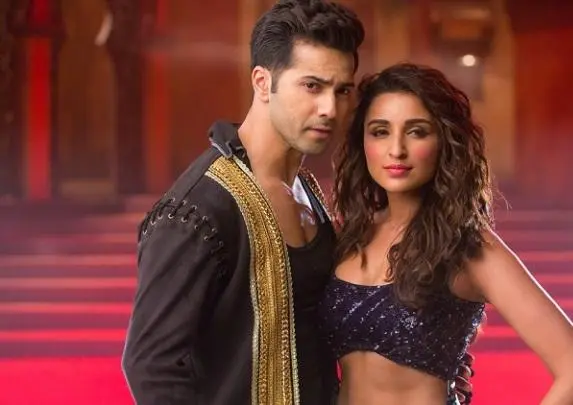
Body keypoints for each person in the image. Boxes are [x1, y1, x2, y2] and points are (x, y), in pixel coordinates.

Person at [121, 1, 363, 404]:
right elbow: (151, 366)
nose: (330, 109)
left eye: (342, 91)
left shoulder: (307, 190)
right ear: (263, 83)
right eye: (312, 86)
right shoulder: (198, 210)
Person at [319, 62, 573, 405]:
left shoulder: (467, 247)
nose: (396, 149)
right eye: (380, 131)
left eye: (417, 132)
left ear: (444, 140)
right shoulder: (348, 236)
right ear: (362, 141)